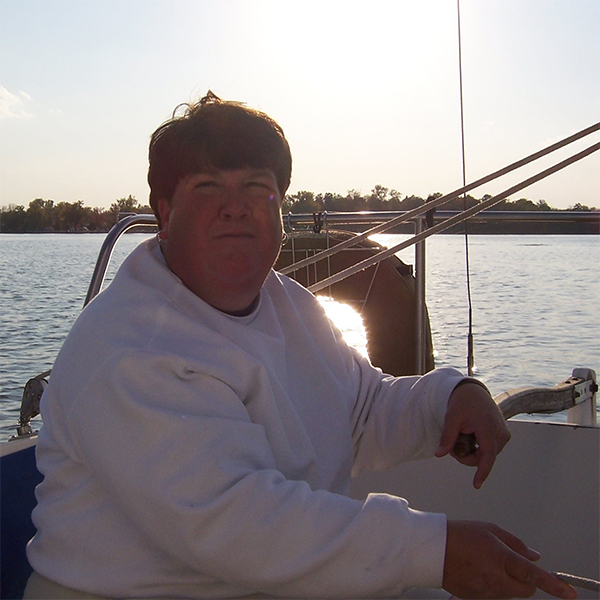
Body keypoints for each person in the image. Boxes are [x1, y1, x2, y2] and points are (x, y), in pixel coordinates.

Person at [25, 92, 576, 600]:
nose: (235, 207)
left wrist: (449, 397)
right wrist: (436, 551)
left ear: (280, 209)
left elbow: (360, 408)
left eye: (256, 187)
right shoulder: (131, 345)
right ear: (165, 213)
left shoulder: (288, 305)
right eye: (208, 187)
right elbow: (236, 522)